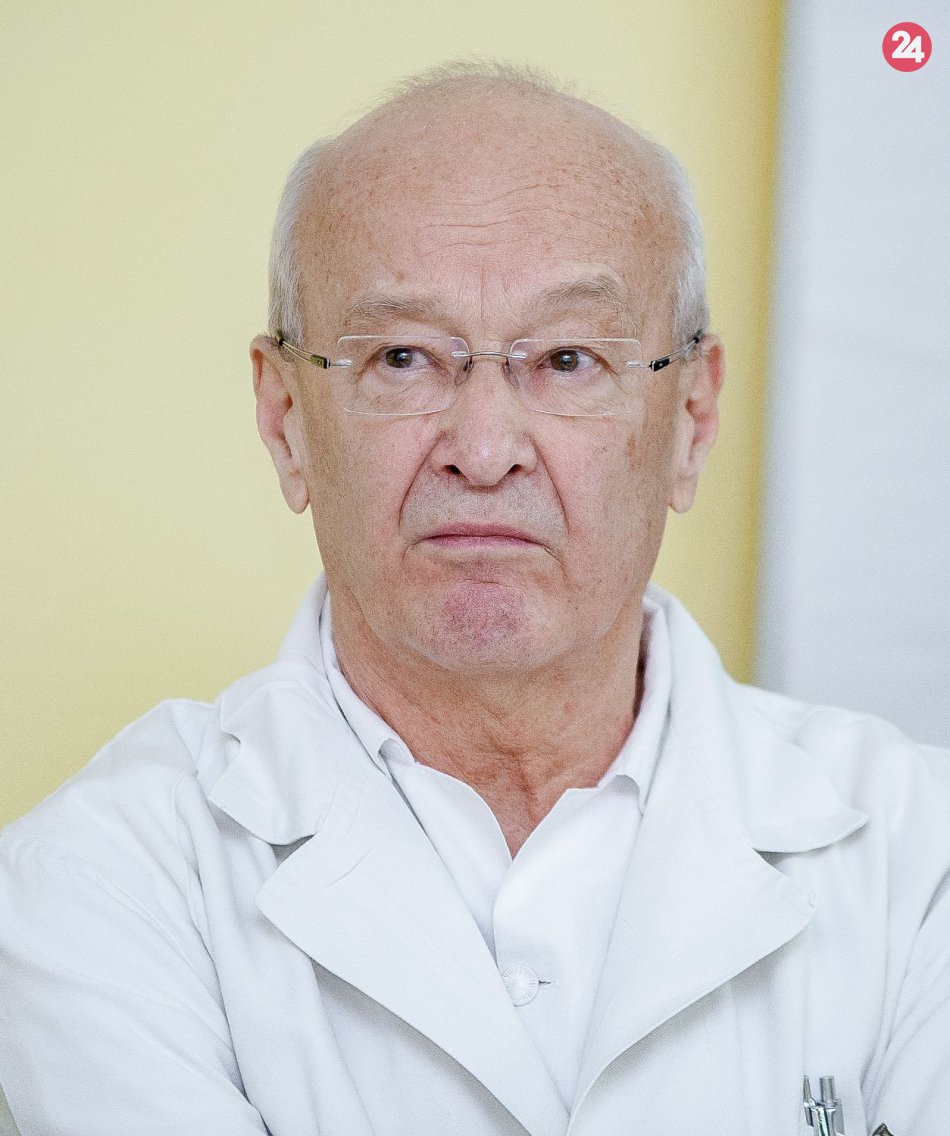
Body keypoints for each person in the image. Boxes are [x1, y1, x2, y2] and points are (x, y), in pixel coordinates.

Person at [1, 62, 948, 1136]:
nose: (486, 449)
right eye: (403, 357)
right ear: (286, 419)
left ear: (691, 417)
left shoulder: (918, 857)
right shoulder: (105, 878)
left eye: (569, 358)